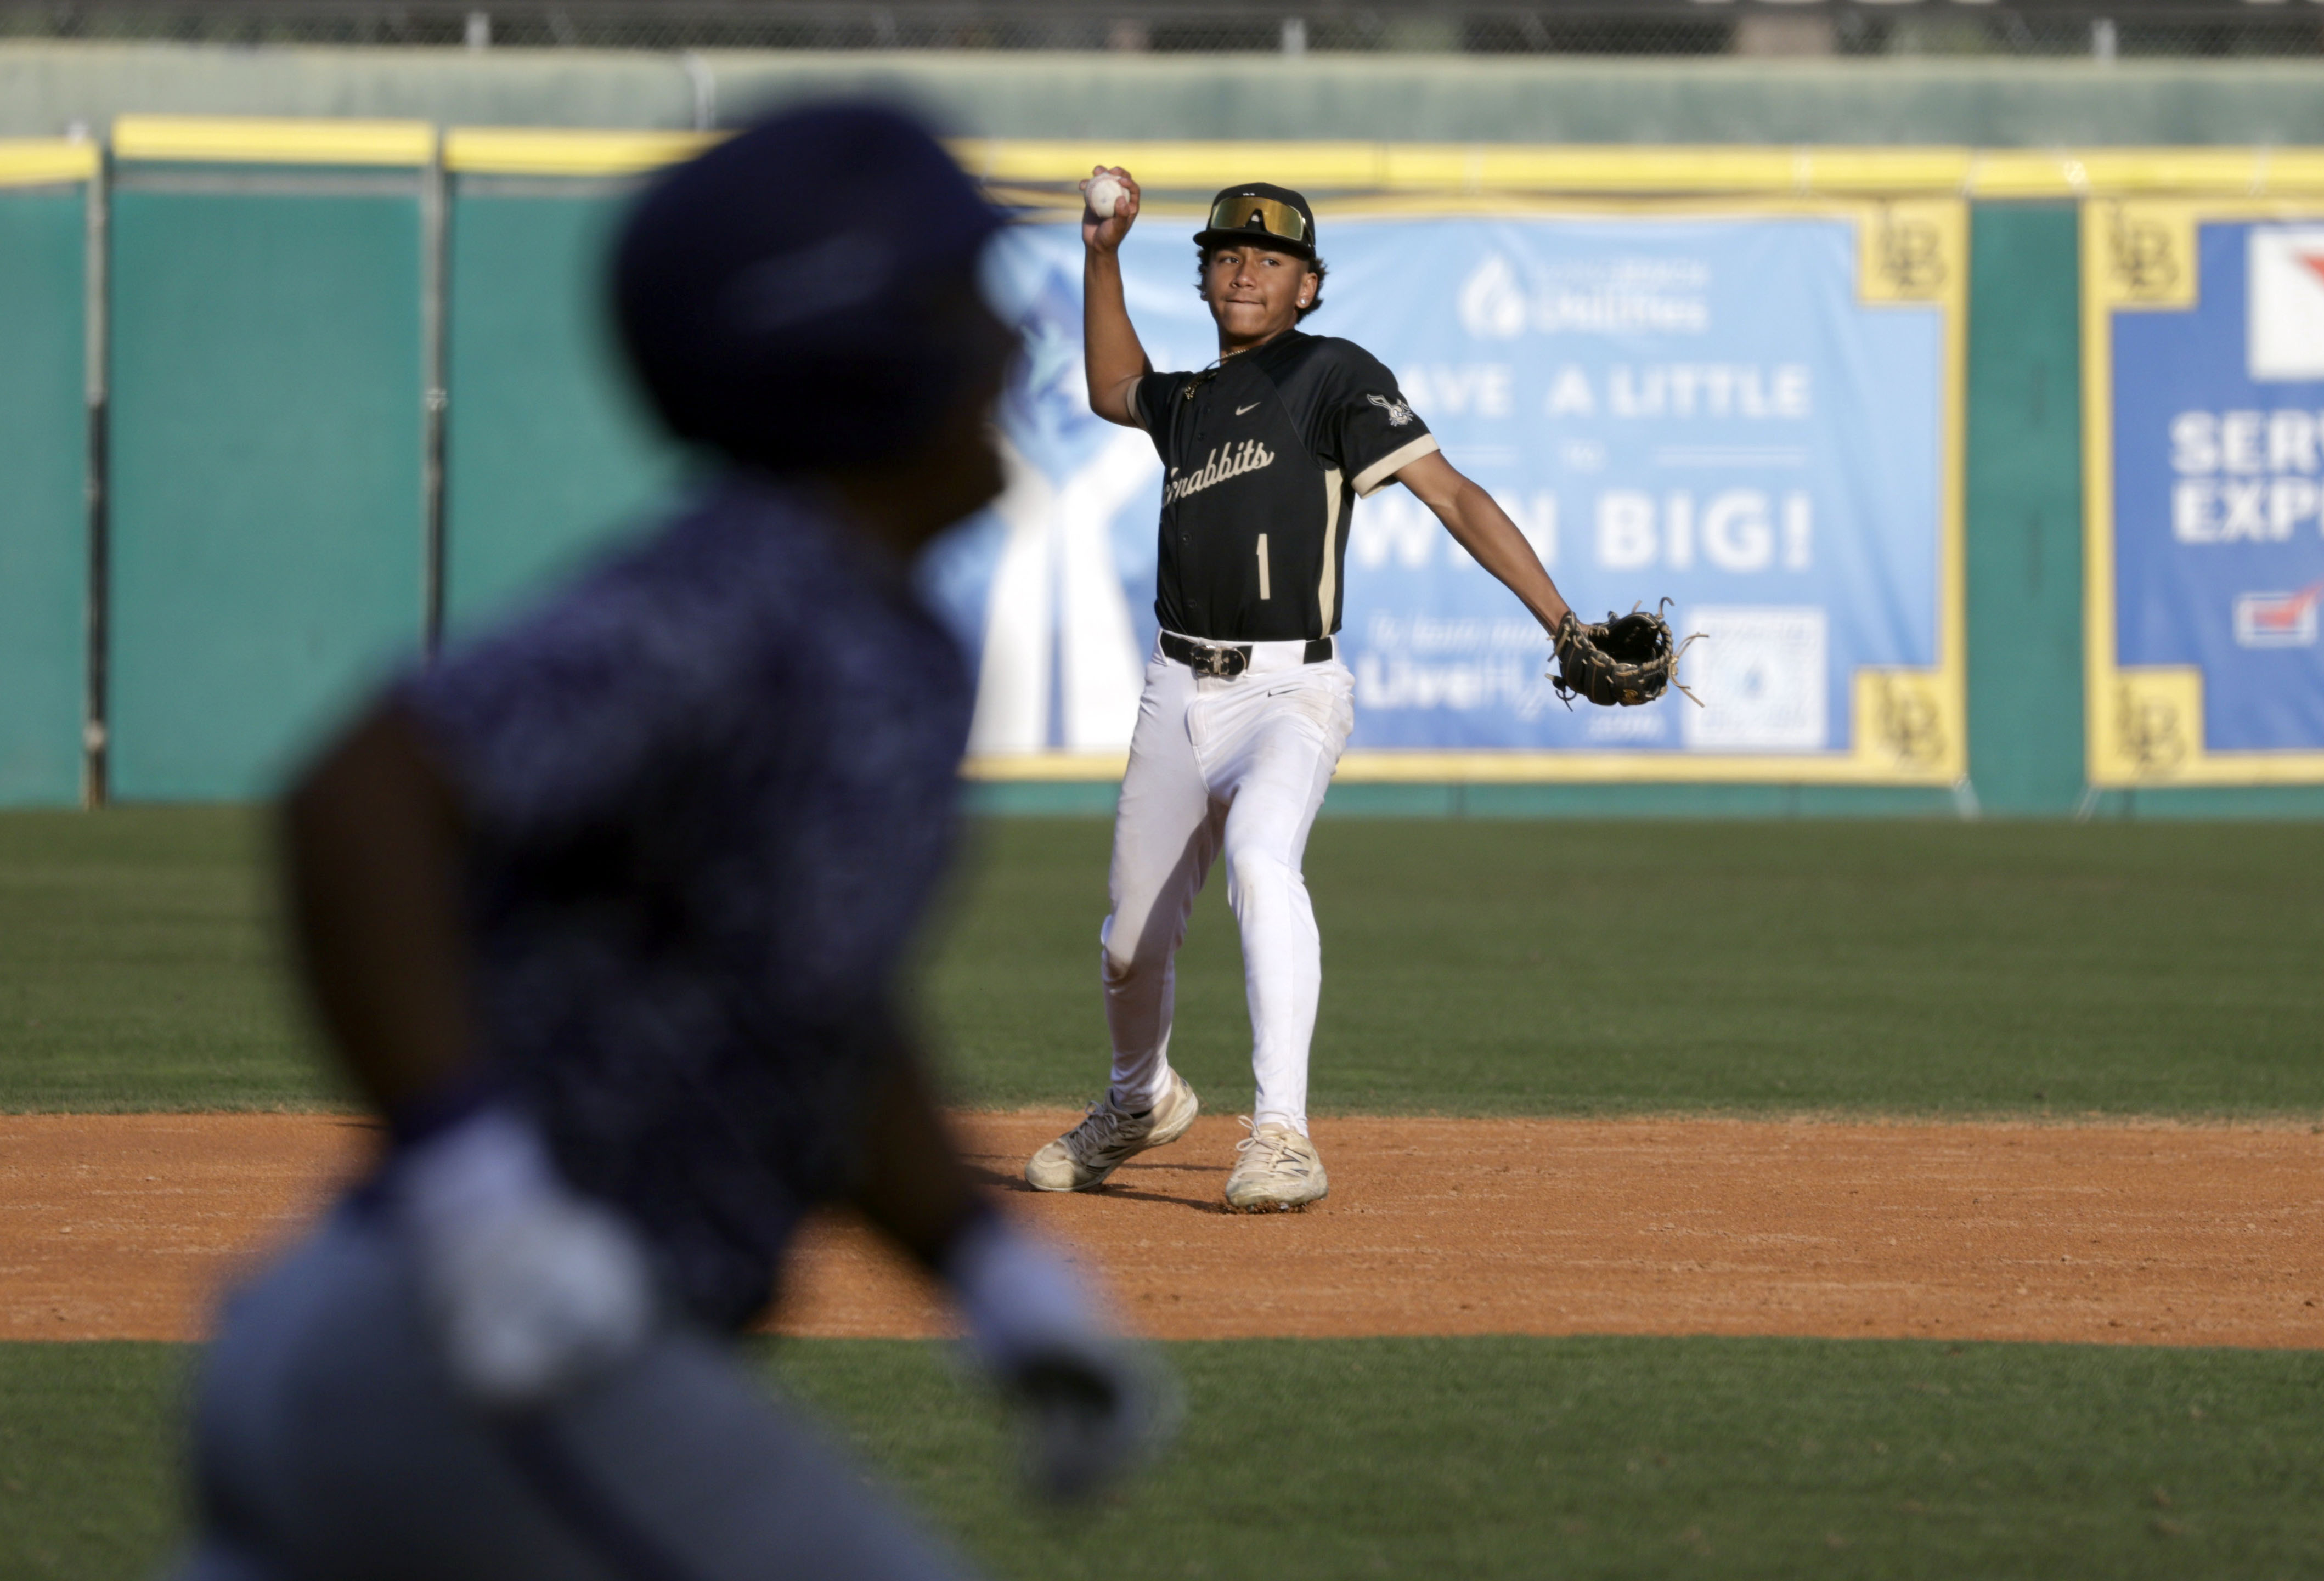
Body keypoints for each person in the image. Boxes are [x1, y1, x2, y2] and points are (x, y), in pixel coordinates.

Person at [170, 105, 1167, 1581]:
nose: (1009, 355)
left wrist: (990, 1270)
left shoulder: (881, 632)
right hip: (470, 1355)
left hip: (397, 1355)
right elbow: (363, 794)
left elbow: (807, 1004)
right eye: (960, 305)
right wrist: (479, 1203)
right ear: (852, 347)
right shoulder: (751, 584)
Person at [1025, 170, 1581, 1213]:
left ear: (1309, 287)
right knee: (1127, 944)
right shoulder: (1188, 403)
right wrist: (1100, 254)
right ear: (1203, 279)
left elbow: (1452, 493)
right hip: (1175, 686)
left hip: (1291, 691)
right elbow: (1111, 389)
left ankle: (1282, 1133)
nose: (1245, 269)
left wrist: (1560, 620)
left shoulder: (1331, 376)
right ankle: (1138, 1100)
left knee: (1261, 856)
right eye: (1226, 254)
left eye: (1271, 259)